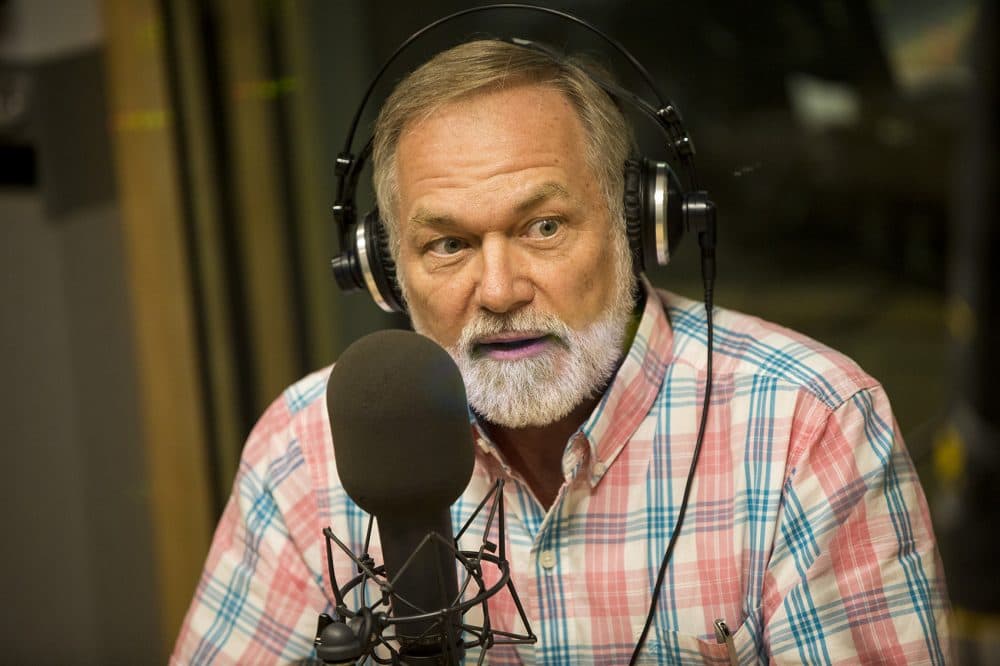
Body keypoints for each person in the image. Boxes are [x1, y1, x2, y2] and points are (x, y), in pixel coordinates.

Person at [172, 39, 950, 664]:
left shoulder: (807, 430)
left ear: (637, 222)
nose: (501, 288)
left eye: (544, 227)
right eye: (447, 244)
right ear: (384, 272)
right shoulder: (302, 451)